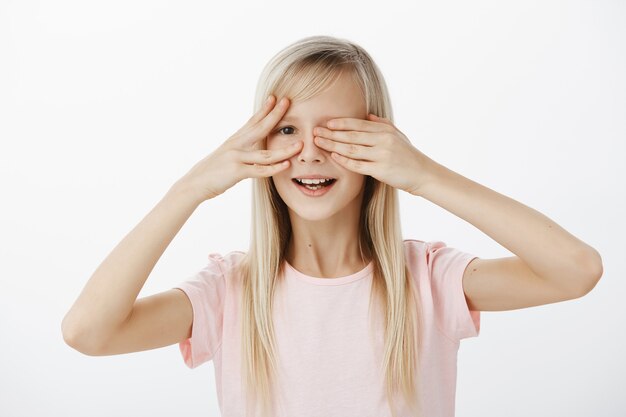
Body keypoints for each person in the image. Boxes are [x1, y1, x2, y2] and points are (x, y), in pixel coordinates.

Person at [61, 35, 603, 417]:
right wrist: (190, 189)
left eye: (337, 133)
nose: (310, 153)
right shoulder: (231, 292)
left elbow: (575, 271)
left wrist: (424, 175)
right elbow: (88, 332)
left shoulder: (428, 279)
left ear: (379, 146)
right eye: (288, 129)